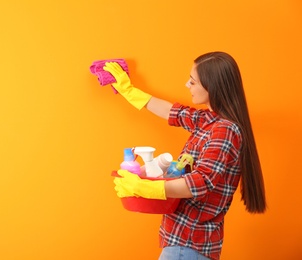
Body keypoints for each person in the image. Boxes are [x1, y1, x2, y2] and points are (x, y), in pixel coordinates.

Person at [101, 52, 266, 260]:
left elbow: (201, 181)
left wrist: (143, 188)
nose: (187, 84)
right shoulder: (208, 121)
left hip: (188, 247)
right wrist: (128, 90)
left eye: (193, 81)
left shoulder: (224, 130)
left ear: (212, 86)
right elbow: (172, 112)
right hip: (185, 245)